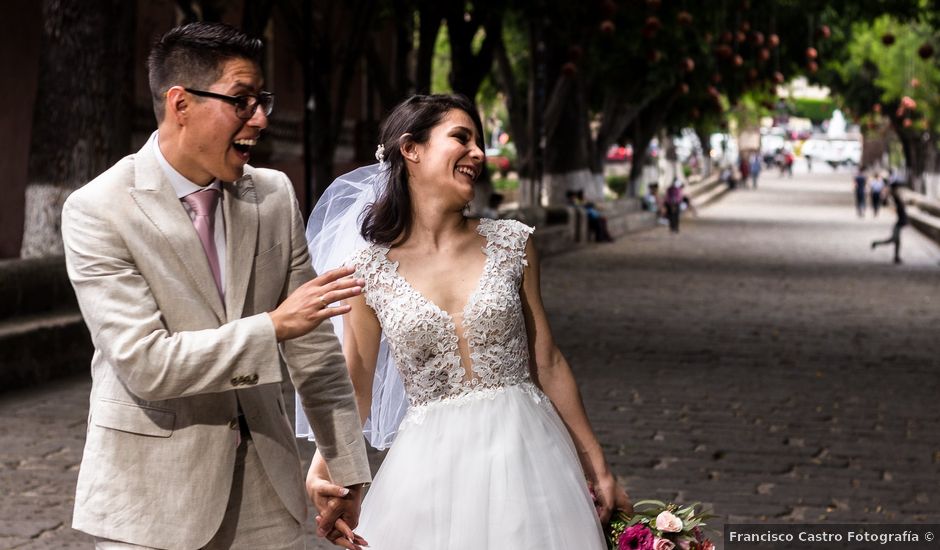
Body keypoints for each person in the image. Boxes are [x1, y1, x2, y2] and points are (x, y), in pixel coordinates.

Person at [61, 23, 371, 549]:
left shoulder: (273, 195)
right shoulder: (98, 209)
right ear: (180, 104)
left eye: (262, 99)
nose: (261, 118)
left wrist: (346, 470)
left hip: (268, 496)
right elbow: (146, 363)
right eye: (242, 101)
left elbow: (315, 347)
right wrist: (273, 327)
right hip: (152, 498)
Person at [299, 94, 631, 549]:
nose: (478, 153)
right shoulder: (367, 273)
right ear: (410, 149)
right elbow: (356, 387)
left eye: (480, 142)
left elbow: (548, 362)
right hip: (427, 471)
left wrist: (599, 468)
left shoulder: (513, 244)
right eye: (462, 137)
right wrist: (323, 467)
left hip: (528, 456)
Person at [871, 182, 908, 264]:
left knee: (897, 242)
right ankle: (876, 243)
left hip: (900, 222)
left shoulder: (897, 196)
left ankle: (896, 257)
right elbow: (887, 202)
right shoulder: (895, 196)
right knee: (893, 240)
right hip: (899, 223)